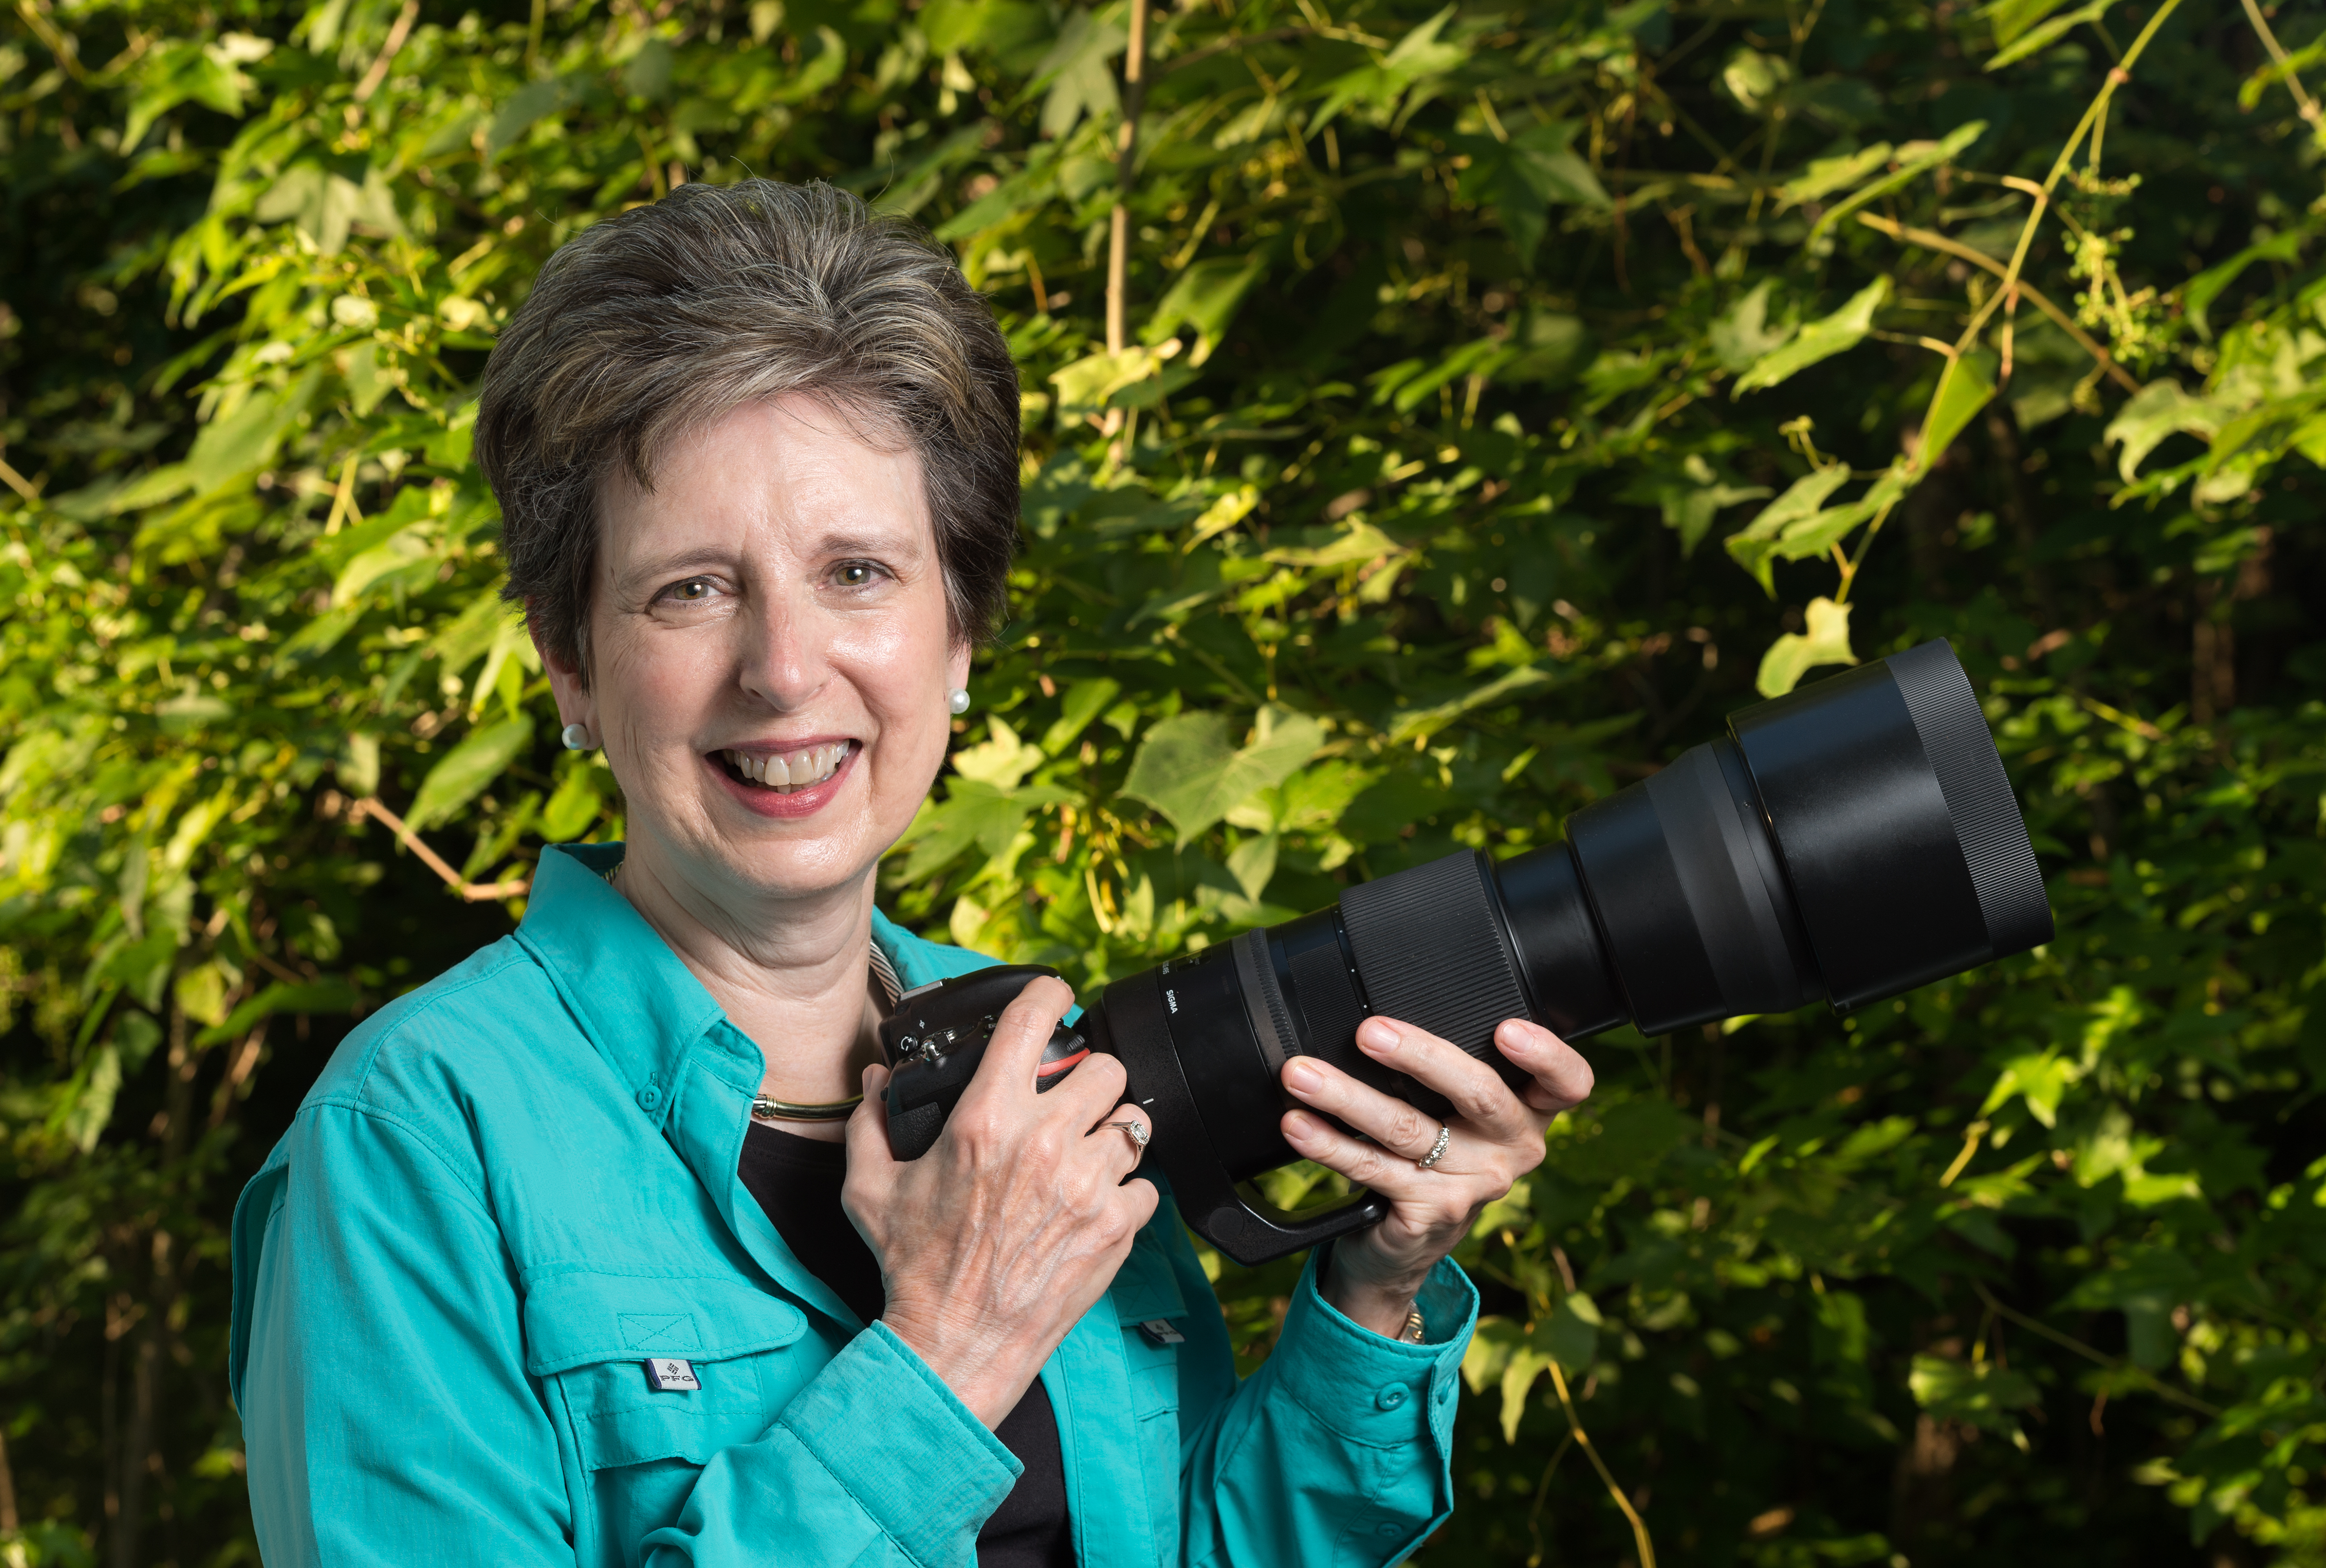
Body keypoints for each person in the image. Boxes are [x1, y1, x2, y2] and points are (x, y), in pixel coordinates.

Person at [228, 178, 1594, 1568]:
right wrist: (945, 1358)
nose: (783, 668)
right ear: (571, 660)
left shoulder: (1035, 1061)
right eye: (691, 587)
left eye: (859, 572)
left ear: (957, 634)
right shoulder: (419, 1140)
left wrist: (1375, 1282)